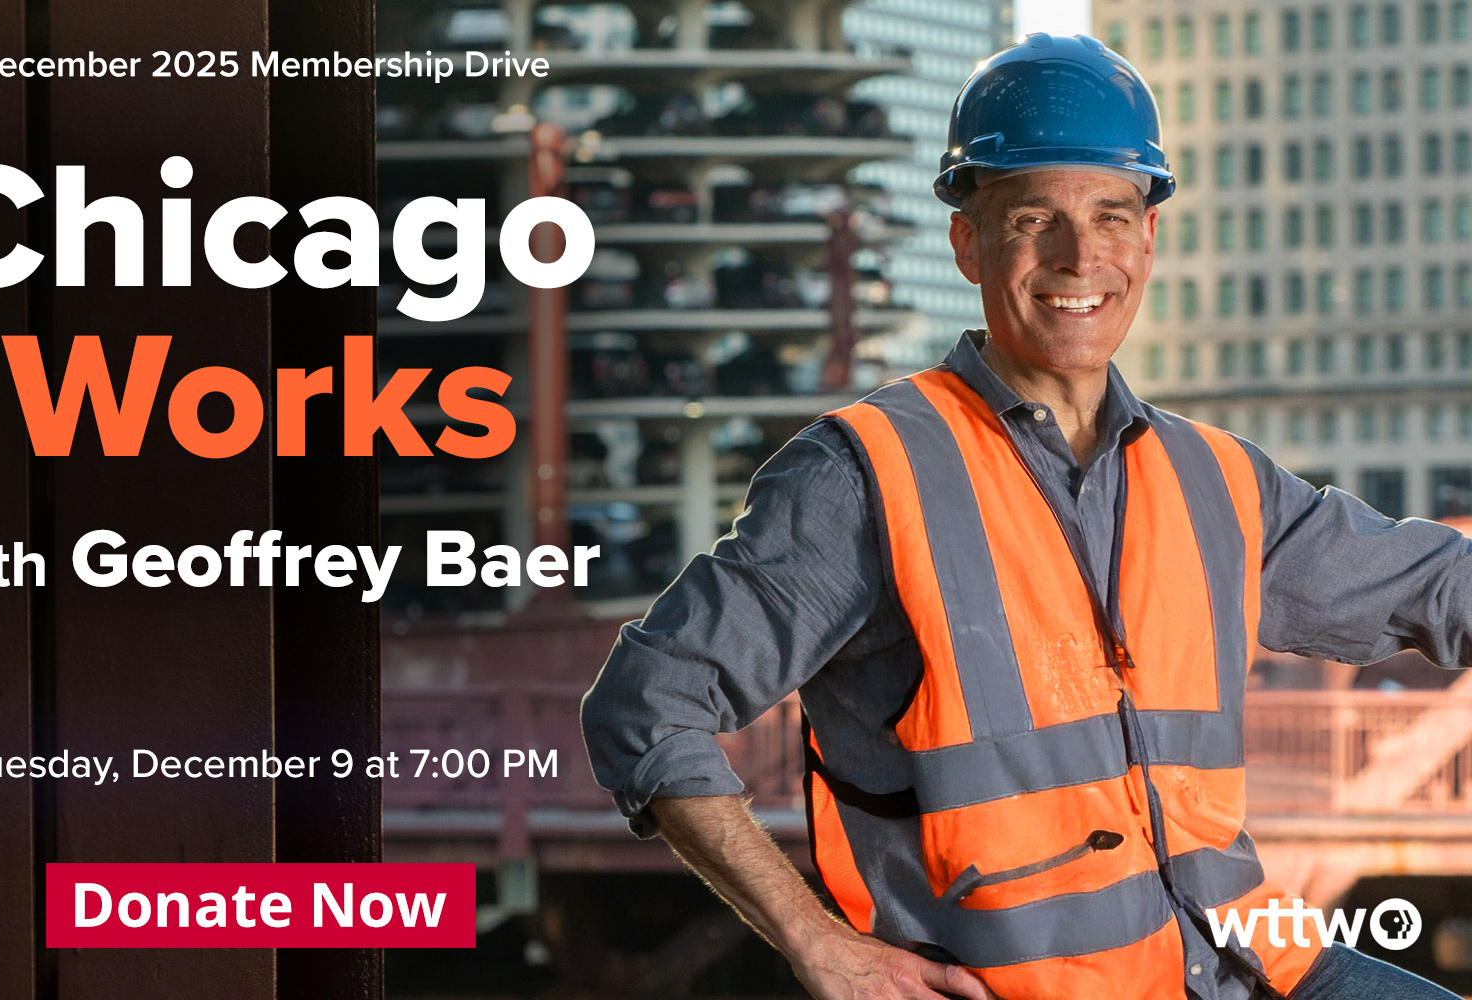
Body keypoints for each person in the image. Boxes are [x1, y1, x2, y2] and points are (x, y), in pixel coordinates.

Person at [579, 34, 1471, 1000]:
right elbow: (646, 701)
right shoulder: (864, 475)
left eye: (1111, 215)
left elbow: (1436, 585)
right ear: (968, 241)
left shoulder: (1215, 478)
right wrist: (812, 938)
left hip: (1255, 964)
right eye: (1032, 217)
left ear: (1148, 238)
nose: (1077, 256)